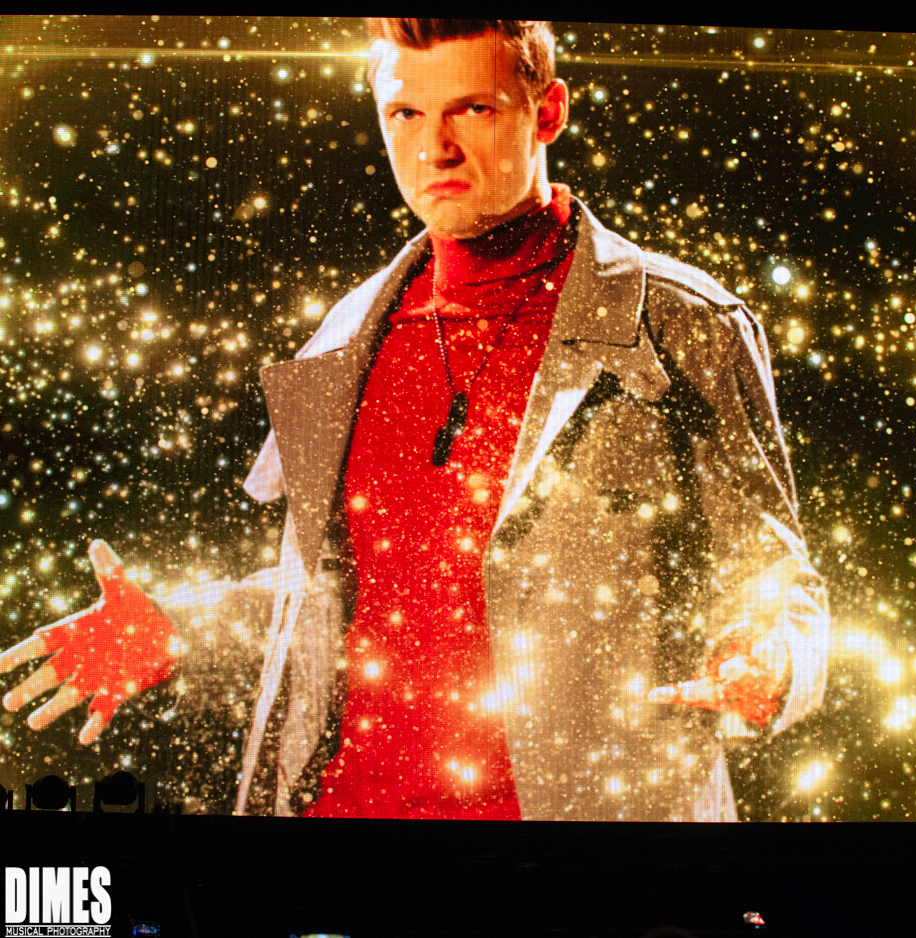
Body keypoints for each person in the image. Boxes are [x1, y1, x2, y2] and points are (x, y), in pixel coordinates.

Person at [0, 19, 829, 820]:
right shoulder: (346, 337)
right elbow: (339, 600)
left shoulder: (682, 324)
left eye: (472, 108)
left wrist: (776, 659)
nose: (435, 148)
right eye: (405, 113)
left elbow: (774, 576)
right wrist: (175, 626)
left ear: (546, 111)